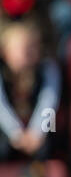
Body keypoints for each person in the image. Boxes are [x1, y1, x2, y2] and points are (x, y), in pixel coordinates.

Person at [0, 19, 60, 162]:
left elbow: (49, 101)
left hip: (38, 129)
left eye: (32, 48)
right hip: (8, 129)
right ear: (5, 51)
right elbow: (0, 106)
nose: (28, 53)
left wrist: (37, 132)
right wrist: (16, 133)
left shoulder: (47, 69)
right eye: (22, 49)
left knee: (49, 142)